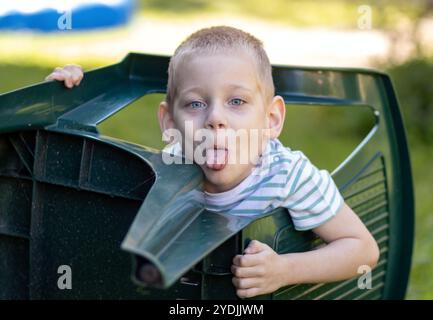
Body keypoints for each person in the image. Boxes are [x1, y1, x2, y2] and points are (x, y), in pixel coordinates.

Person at [45, 26, 379, 299]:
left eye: (236, 101)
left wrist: (285, 270)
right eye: (194, 104)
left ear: (271, 119)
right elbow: (84, 180)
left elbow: (362, 250)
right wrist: (61, 99)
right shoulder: (168, 167)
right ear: (170, 123)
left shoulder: (289, 175)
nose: (215, 118)